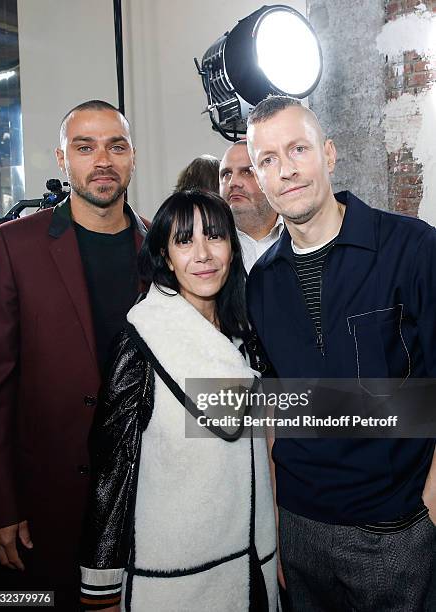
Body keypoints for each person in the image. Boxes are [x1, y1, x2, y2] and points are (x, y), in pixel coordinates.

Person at [246, 95, 436, 611]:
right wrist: (277, 529)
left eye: (298, 149)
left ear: (328, 154)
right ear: (259, 178)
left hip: (396, 526)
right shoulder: (259, 283)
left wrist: (430, 506)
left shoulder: (412, 249)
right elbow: (272, 409)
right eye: (267, 160)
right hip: (301, 526)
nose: (286, 170)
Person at [79, 189, 277, 611]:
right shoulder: (141, 343)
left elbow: (275, 441)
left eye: (215, 237)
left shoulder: (246, 337)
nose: (203, 254)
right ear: (166, 257)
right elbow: (112, 471)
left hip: (252, 567)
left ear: (232, 247)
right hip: (177, 581)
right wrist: (101, 587)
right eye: (185, 241)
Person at [0, 100, 148, 609]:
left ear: (132, 157)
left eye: (115, 146)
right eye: (85, 147)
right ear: (62, 159)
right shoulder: (16, 246)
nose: (102, 159)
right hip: (46, 501)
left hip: (144, 496)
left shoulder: (159, 246)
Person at [219, 141, 283, 273]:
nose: (233, 182)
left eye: (247, 172)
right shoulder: (210, 249)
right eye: (226, 174)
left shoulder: (302, 234)